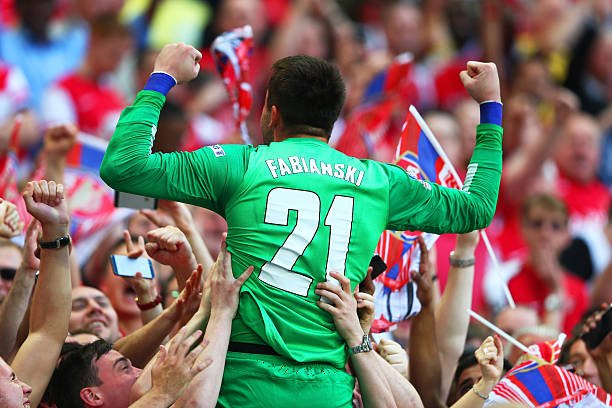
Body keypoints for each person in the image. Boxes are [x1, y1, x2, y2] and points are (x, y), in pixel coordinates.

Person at [100, 43, 503, 406]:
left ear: (272, 113)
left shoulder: (240, 165)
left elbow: (123, 167)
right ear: (331, 120)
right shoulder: (379, 181)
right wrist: (490, 108)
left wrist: (162, 76)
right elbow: (477, 208)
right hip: (327, 387)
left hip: (239, 380)